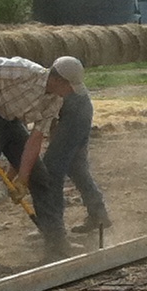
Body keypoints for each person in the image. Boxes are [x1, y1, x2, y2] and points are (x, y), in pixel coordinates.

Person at [0, 52, 81, 264]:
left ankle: (56, 243)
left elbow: (35, 139)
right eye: (70, 86)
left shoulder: (55, 101)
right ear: (57, 80)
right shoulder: (24, 70)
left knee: (40, 177)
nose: (72, 91)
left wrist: (22, 179)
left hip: (11, 121)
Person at [47, 84, 109, 239]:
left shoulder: (52, 88)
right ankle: (98, 214)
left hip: (73, 110)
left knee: (52, 168)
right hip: (80, 106)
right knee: (76, 166)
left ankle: (53, 226)